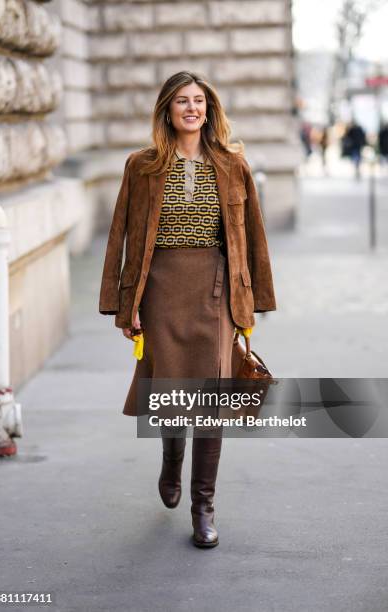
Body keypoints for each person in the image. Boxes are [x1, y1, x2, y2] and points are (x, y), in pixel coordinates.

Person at [99, 71, 276, 548]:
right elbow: (121, 236)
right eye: (182, 101)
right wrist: (122, 304)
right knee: (174, 394)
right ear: (167, 110)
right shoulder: (142, 166)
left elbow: (253, 235)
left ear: (209, 109)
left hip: (215, 289)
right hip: (158, 291)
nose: (192, 108)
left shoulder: (233, 163)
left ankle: (204, 507)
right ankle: (171, 458)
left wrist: (254, 300)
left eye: (199, 100)